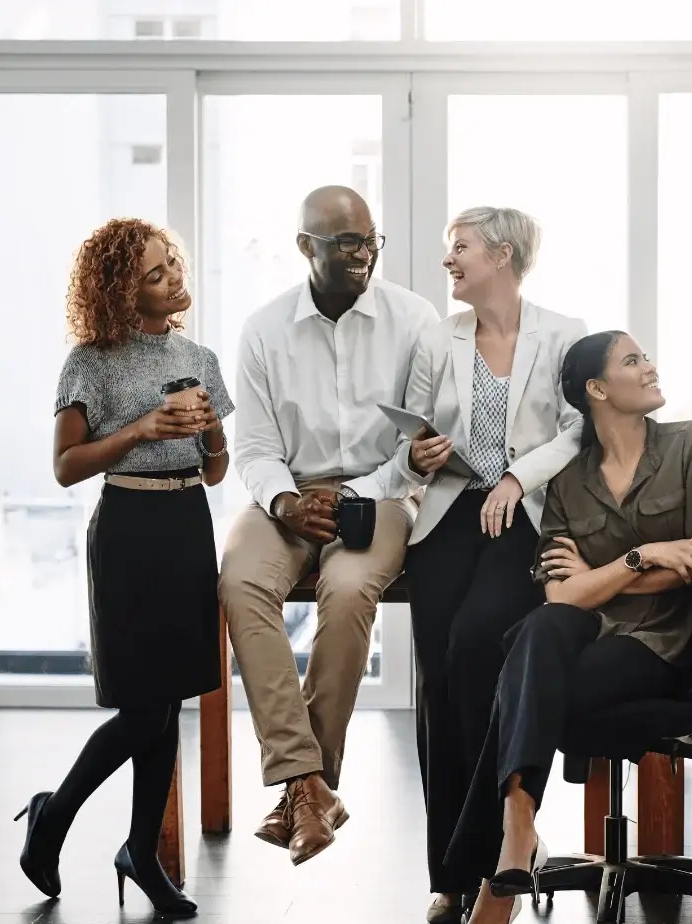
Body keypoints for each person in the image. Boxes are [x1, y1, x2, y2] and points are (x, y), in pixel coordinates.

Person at [446, 331, 692, 924]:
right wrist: (643, 556)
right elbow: (561, 595)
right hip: (583, 638)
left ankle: (507, 856)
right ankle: (517, 833)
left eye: (646, 356)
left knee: (520, 684)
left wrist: (600, 575)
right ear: (597, 390)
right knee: (544, 627)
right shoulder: (568, 482)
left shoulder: (691, 443)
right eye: (633, 361)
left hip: (662, 646)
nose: (650, 367)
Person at [15, 218, 233, 919]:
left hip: (188, 525)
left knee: (168, 701)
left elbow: (218, 467)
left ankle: (141, 848)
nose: (174, 278)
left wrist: (211, 434)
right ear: (119, 290)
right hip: (130, 530)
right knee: (143, 707)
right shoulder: (92, 361)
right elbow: (65, 467)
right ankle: (55, 816)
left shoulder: (200, 355)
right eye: (154, 273)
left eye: (173, 263)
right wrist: (143, 428)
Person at [220, 185, 438, 866]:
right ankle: (308, 783)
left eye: (370, 239)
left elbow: (418, 447)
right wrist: (287, 503)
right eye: (345, 242)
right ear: (305, 247)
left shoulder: (416, 320)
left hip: (381, 496)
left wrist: (351, 497)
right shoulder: (262, 328)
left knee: (346, 595)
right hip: (283, 499)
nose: (362, 253)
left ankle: (304, 789)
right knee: (240, 581)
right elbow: (254, 449)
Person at [395, 206, 586, 924]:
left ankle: (506, 842)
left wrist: (516, 479)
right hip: (447, 518)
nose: (450, 260)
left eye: (461, 248)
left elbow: (577, 430)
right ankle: (451, 870)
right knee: (439, 680)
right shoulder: (435, 337)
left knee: (479, 651)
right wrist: (418, 453)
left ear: (501, 255)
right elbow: (411, 429)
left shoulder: (563, 335)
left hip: (523, 522)